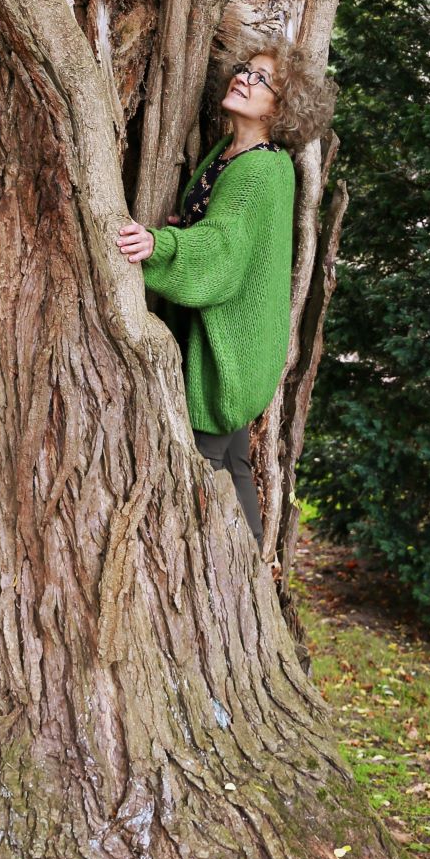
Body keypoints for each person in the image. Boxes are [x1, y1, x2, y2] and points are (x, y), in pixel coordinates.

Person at [116, 48, 295, 550]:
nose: (244, 78)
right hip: (228, 343)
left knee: (206, 483)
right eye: (245, 69)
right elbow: (225, 230)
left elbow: (224, 251)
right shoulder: (230, 153)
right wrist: (187, 229)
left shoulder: (262, 169)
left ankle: (240, 582)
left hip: (229, 351)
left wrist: (160, 244)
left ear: (282, 108)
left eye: (262, 78)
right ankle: (259, 566)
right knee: (235, 467)